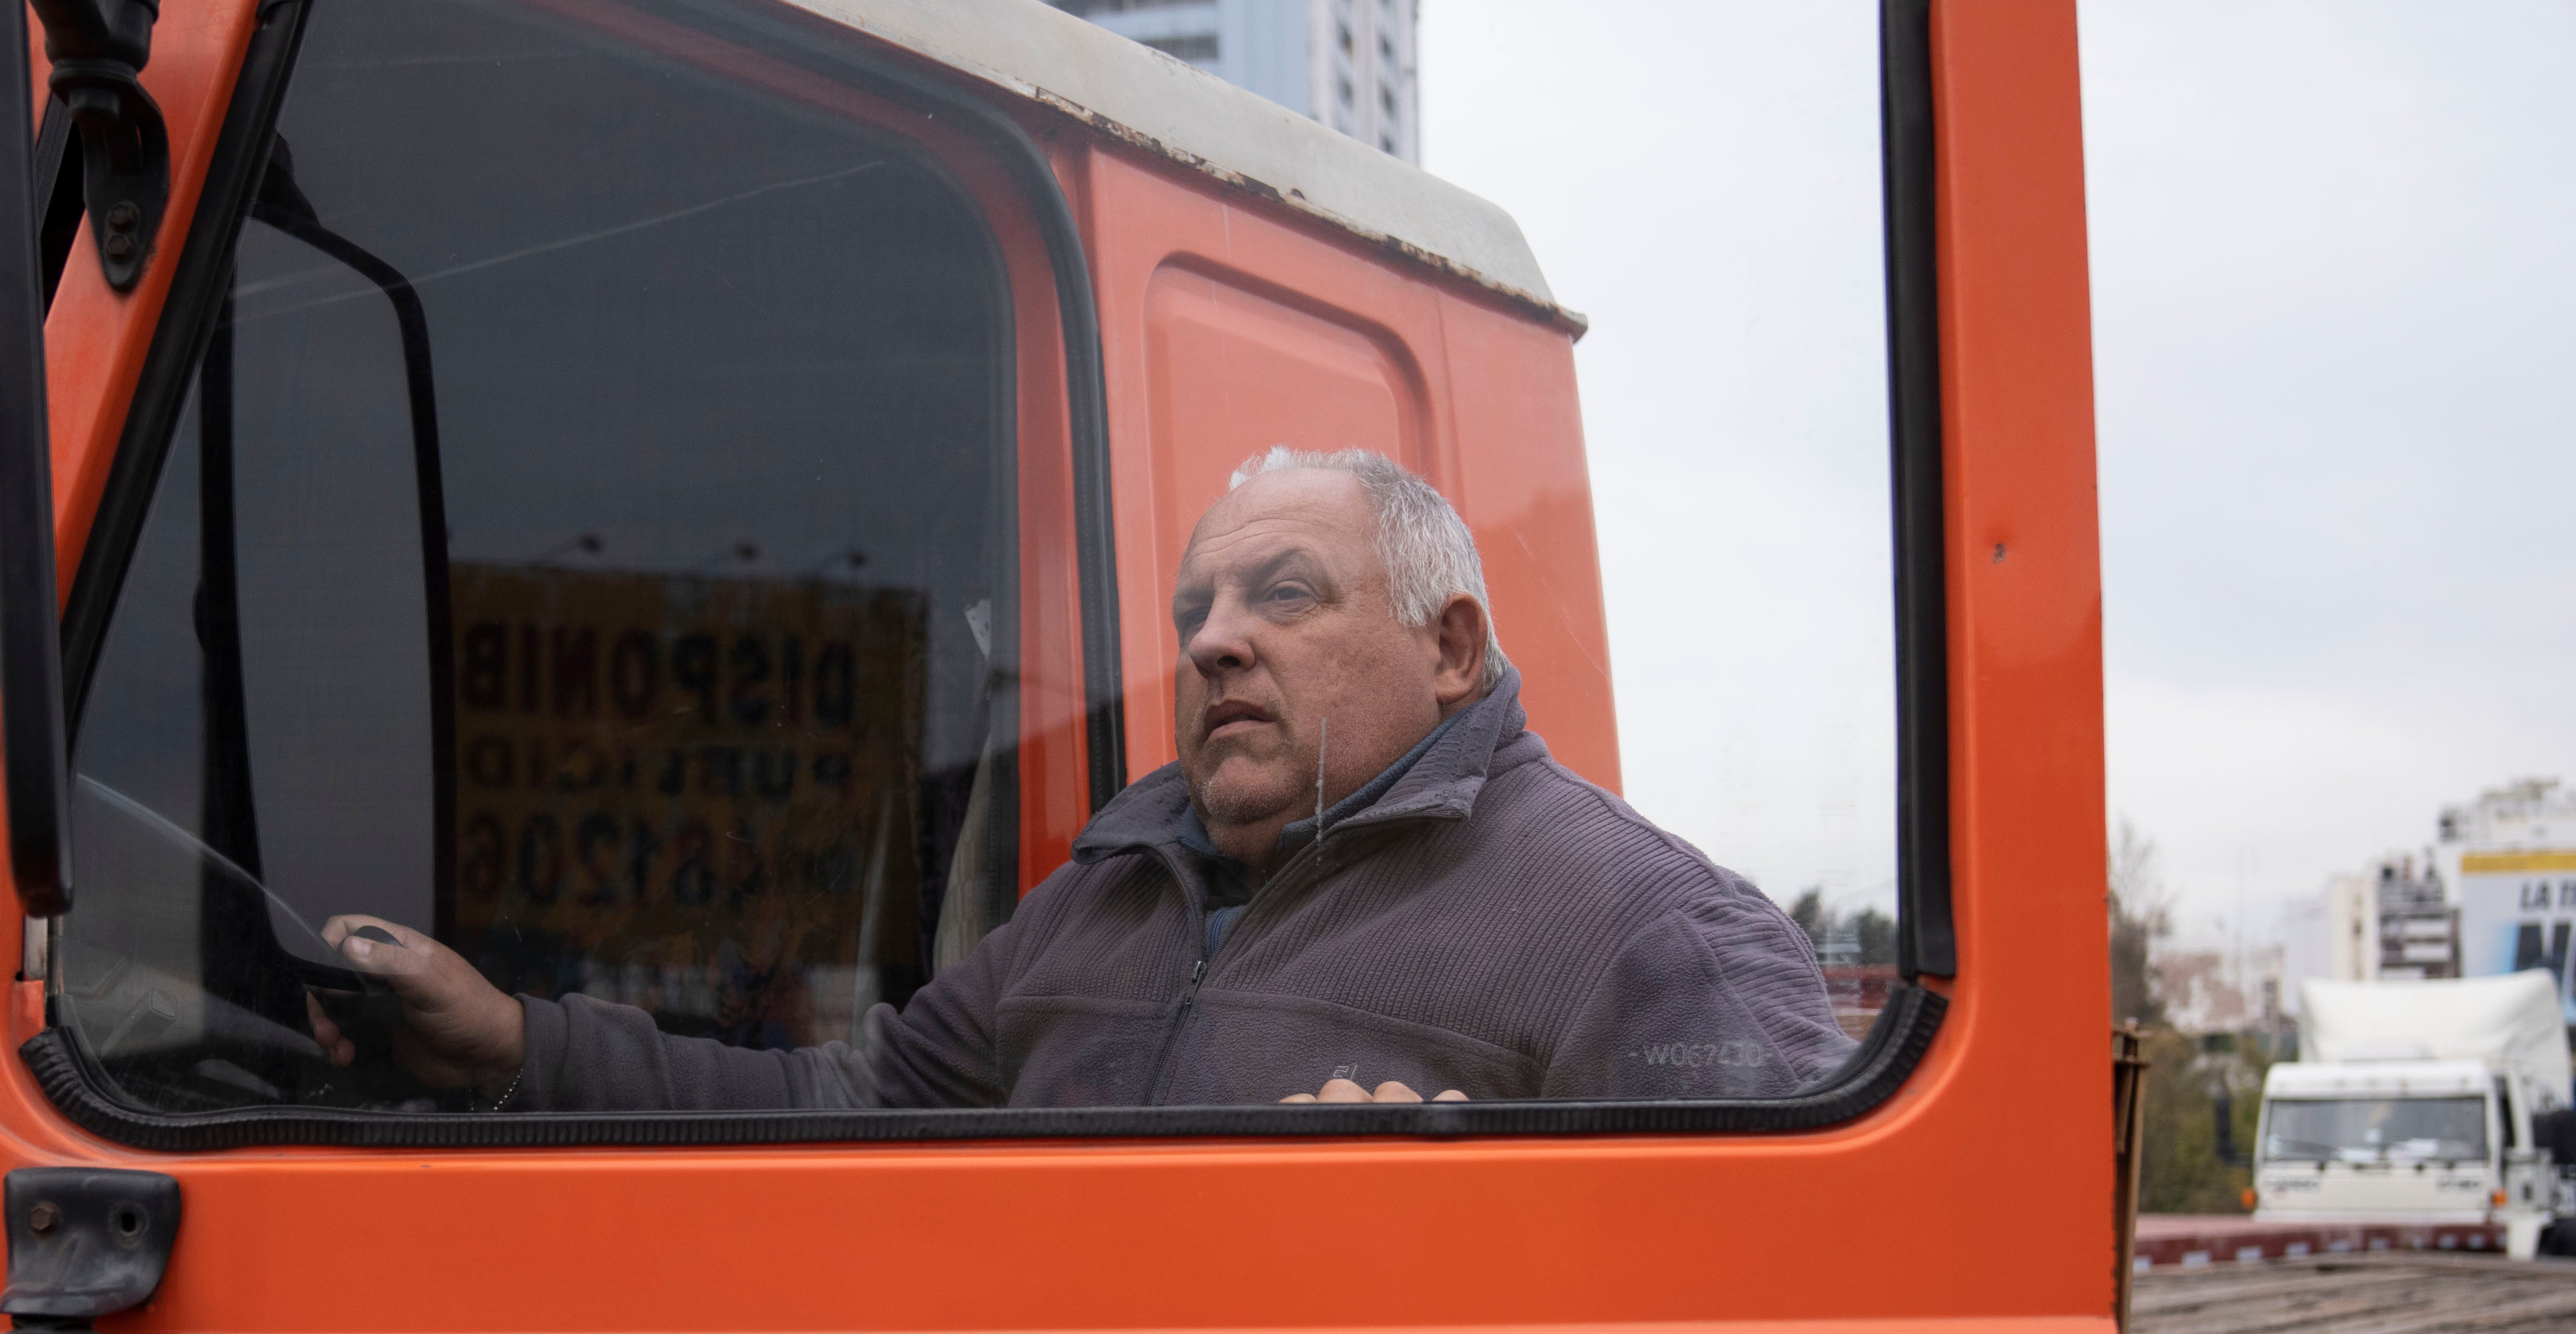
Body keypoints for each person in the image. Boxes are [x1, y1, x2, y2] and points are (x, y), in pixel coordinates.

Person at [310, 446, 1852, 1110]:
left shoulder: (1640, 931)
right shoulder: (1113, 889)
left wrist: (1474, 1235)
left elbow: (1808, 1314)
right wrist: (513, 1044)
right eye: (1194, 616)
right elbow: (865, 1105)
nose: (1215, 646)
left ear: (1450, 648)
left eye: (1284, 600)